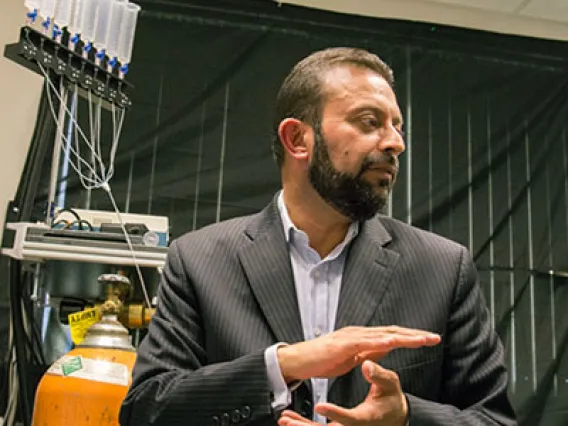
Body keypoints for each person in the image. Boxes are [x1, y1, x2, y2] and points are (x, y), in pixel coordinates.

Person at [119, 47, 517, 426]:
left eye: (396, 126)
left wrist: (405, 417)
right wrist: (285, 365)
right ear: (297, 139)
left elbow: (493, 419)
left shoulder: (442, 269)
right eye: (369, 121)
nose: (396, 142)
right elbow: (147, 410)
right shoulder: (200, 260)